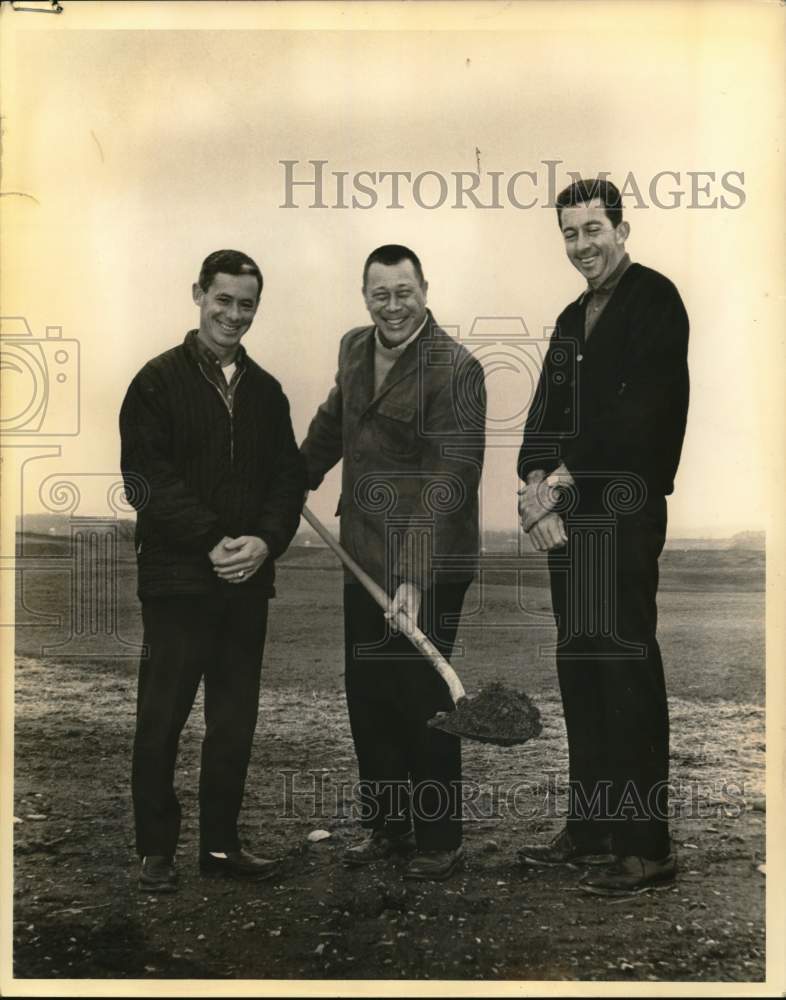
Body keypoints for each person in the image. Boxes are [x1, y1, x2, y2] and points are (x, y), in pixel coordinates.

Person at [516, 179, 690, 895]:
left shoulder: (656, 300)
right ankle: (589, 830)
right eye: (570, 234)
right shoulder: (567, 317)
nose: (582, 245)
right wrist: (533, 487)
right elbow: (544, 411)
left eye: (593, 230)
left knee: (624, 668)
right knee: (580, 667)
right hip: (568, 522)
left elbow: (639, 417)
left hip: (623, 509)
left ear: (622, 228)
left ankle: (645, 847)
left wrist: (561, 479)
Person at [119, 249, 304, 892]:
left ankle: (221, 848)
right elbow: (147, 480)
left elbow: (288, 481)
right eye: (222, 299)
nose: (233, 314)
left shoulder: (269, 392)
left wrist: (265, 541)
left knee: (234, 719)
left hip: (246, 583)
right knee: (162, 716)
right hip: (176, 582)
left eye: (246, 304)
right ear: (198, 293)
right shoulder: (155, 382)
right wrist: (212, 540)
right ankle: (157, 852)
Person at [300, 244, 485, 881]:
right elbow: (333, 426)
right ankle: (388, 825)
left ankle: (440, 838)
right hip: (363, 554)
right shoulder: (354, 349)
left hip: (429, 560)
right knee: (371, 693)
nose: (393, 306)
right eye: (380, 294)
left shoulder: (456, 369)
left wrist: (414, 574)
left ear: (425, 289)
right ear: (365, 296)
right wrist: (294, 478)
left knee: (422, 694)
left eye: (403, 292)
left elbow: (452, 478)